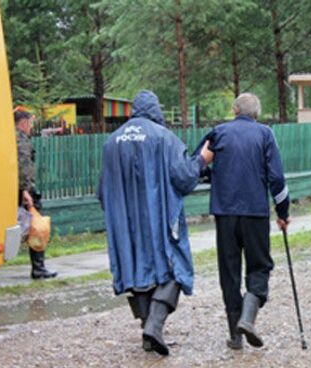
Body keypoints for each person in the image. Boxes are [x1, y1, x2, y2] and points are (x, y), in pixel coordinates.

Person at [97, 90, 214, 355]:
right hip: (158, 219)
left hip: (125, 224)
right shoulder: (164, 138)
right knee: (175, 267)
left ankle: (149, 332)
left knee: (136, 270)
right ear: (156, 110)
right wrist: (202, 160)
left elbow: (103, 191)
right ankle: (155, 325)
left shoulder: (111, 142)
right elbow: (183, 178)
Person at [205, 93, 290, 350]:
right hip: (255, 213)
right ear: (257, 113)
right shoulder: (265, 134)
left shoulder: (218, 133)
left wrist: (214, 177)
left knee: (229, 272)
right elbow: (276, 177)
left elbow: (198, 164)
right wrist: (283, 212)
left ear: (234, 110)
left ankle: (235, 335)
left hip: (225, 213)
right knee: (260, 266)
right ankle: (248, 317)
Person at [15, 110, 58, 280]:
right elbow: (24, 166)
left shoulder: (7, 136)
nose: (31, 127)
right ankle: (38, 268)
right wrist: (25, 190)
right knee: (37, 226)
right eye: (31, 123)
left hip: (8, 190)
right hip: (21, 190)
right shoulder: (21, 140)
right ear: (24, 123)